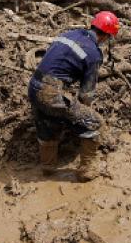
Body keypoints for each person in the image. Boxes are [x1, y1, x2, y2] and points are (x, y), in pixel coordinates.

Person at [29, 12, 120, 181]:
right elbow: (86, 94)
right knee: (94, 124)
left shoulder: (69, 34)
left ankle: (48, 168)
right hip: (51, 93)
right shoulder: (93, 54)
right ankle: (86, 171)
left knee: (47, 125)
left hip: (34, 87)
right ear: (106, 36)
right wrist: (86, 113)